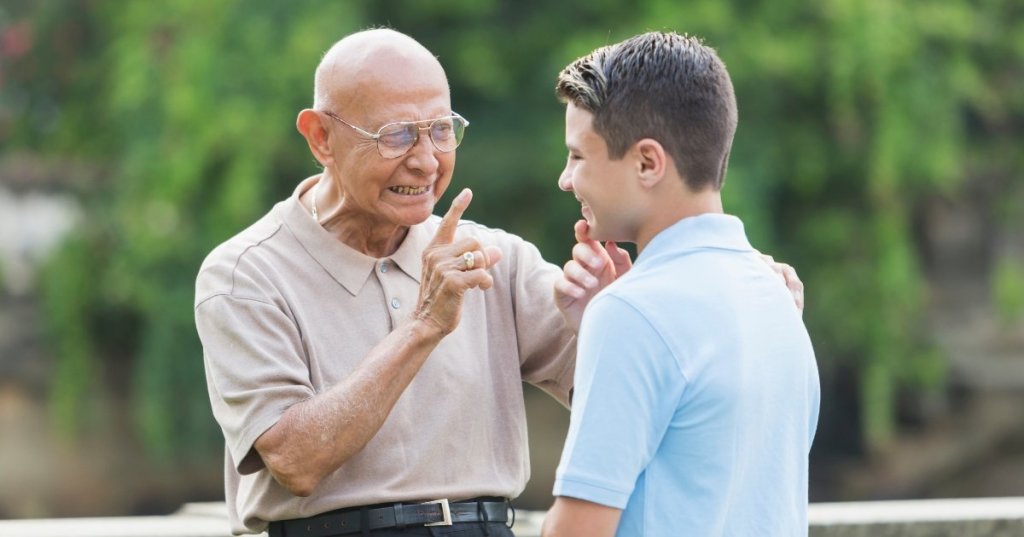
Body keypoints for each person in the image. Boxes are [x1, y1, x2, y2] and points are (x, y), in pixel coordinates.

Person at [195, 28, 804, 537]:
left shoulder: (496, 256)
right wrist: (423, 328)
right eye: (397, 135)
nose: (427, 160)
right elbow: (294, 462)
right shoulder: (245, 274)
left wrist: (714, 308)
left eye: (441, 130)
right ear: (320, 137)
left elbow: (634, 393)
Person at [541, 32, 820, 537]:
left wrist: (614, 322)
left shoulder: (631, 313)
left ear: (648, 162)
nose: (566, 179)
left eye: (578, 156)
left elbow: (576, 531)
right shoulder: (780, 299)